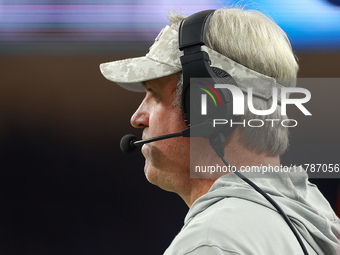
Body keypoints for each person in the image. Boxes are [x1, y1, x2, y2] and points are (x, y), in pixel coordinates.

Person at [100, 8, 340, 255]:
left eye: (155, 94)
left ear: (207, 109)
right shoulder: (318, 227)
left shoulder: (211, 241)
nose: (137, 118)